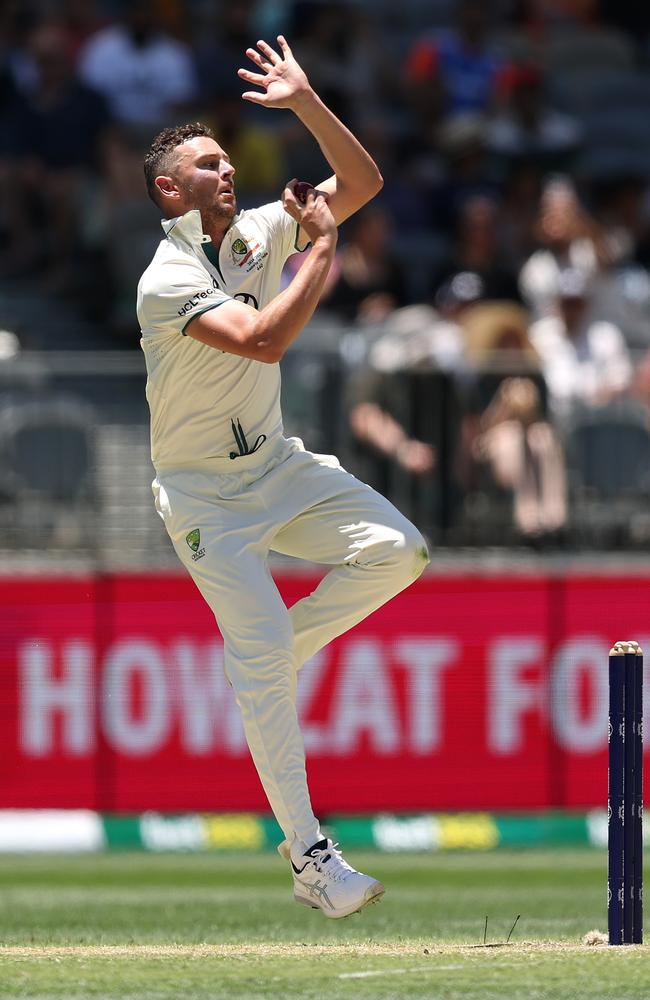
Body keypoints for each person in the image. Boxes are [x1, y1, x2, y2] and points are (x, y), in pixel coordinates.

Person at [137, 36, 429, 920]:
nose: (228, 169)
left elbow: (365, 182)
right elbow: (265, 338)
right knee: (260, 655)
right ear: (169, 190)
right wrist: (321, 256)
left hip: (278, 464)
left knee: (401, 551)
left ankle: (276, 654)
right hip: (202, 499)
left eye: (227, 158)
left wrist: (305, 100)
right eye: (207, 164)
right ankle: (309, 858)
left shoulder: (260, 229)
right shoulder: (167, 277)